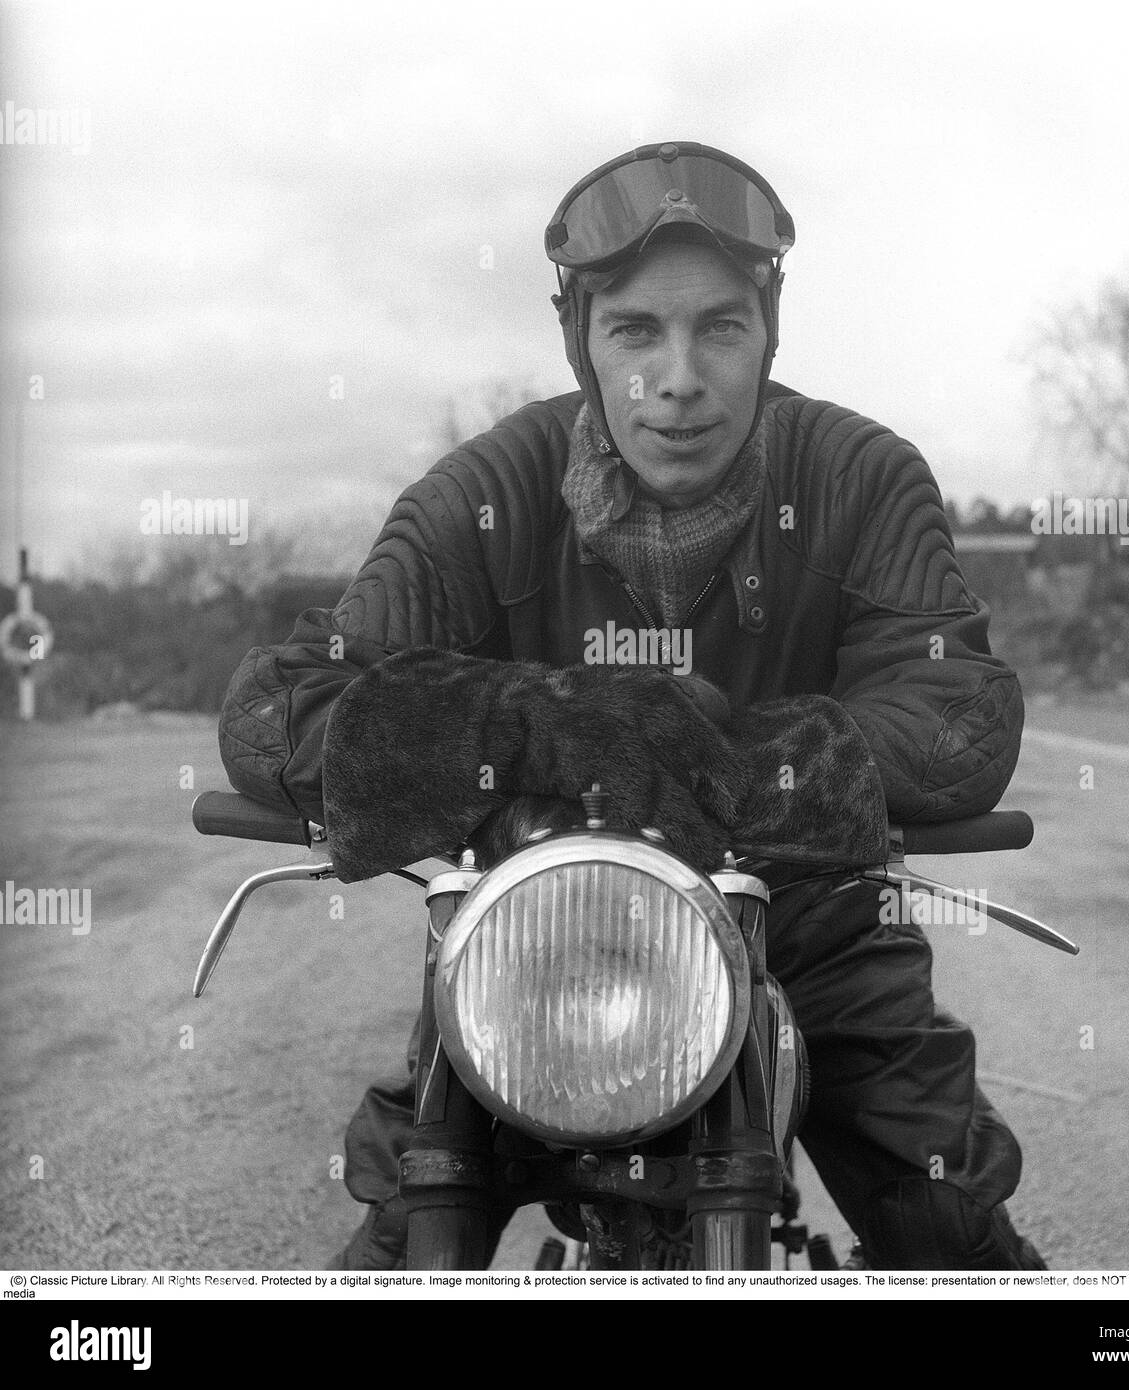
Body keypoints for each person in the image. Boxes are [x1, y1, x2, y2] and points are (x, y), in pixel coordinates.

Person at [218, 140, 1045, 1270]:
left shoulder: (857, 473)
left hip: (806, 929)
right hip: (536, 943)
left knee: (940, 1205)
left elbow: (954, 711)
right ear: (582, 340)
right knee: (418, 1206)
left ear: (768, 328)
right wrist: (551, 727)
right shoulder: (489, 489)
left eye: (719, 325)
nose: (679, 376)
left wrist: (723, 758)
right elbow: (284, 705)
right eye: (635, 331)